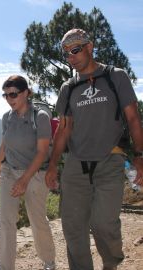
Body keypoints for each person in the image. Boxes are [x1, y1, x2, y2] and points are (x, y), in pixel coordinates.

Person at [45, 28, 143, 270]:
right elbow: (64, 129)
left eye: (75, 50)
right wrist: (52, 166)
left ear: (90, 47)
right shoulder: (68, 88)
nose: (71, 57)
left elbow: (133, 119)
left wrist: (140, 156)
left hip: (110, 160)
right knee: (73, 227)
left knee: (103, 224)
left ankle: (111, 263)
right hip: (76, 165)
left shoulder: (115, 76)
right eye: (66, 53)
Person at [0, 75, 56, 270]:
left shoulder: (40, 117)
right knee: (5, 220)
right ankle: (4, 266)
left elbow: (42, 151)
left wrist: (24, 179)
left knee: (37, 220)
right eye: (6, 95)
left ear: (26, 93)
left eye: (13, 94)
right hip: (10, 172)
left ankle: (49, 261)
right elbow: (5, 143)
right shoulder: (7, 118)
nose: (9, 99)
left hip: (35, 174)